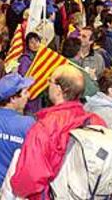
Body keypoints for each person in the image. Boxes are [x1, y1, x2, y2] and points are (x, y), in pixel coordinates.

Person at [10, 64, 106, 199]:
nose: (48, 83)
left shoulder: (44, 128)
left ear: (59, 90)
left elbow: (29, 179)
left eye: (50, 80)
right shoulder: (97, 122)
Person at [18, 32, 42, 115]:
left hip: (38, 94)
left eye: (37, 41)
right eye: (32, 42)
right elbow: (24, 78)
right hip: (29, 95)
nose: (35, 44)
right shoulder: (25, 59)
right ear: (27, 45)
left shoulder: (41, 57)